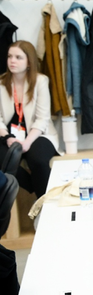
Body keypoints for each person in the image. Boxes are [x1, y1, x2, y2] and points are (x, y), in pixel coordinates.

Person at [0, 41, 59, 197]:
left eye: (18, 57)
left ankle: (43, 203)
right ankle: (32, 185)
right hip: (9, 136)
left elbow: (42, 118)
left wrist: (27, 143)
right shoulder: (1, 83)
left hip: (39, 134)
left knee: (38, 160)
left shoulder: (40, 81)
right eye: (10, 56)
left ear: (29, 62)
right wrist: (7, 137)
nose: (12, 61)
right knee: (4, 160)